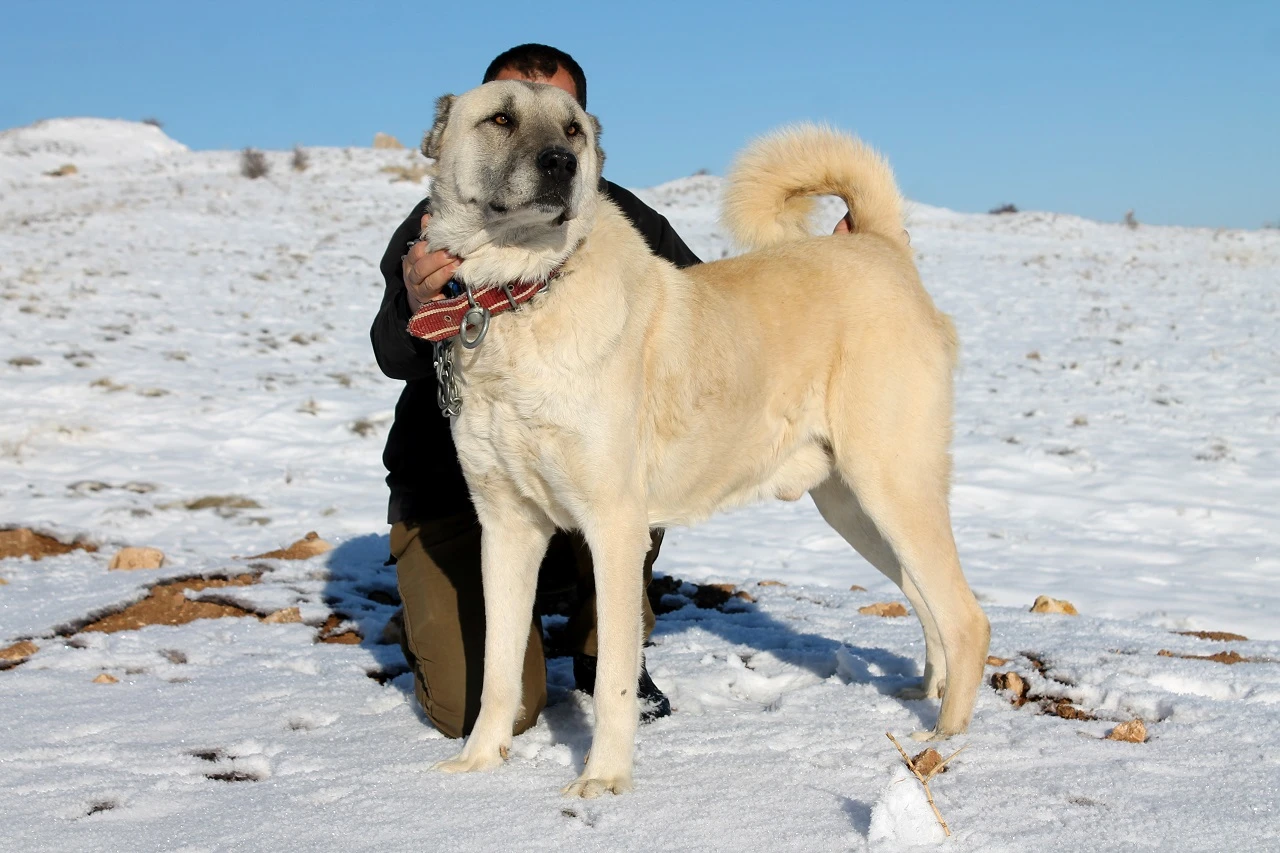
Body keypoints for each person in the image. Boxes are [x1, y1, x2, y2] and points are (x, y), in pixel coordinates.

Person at [370, 44, 700, 740]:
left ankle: (601, 647)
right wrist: (413, 300)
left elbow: (714, 312)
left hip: (580, 487)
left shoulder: (629, 224)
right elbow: (390, 354)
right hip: (455, 499)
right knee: (480, 711)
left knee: (624, 455)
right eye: (505, 119)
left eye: (564, 129)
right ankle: (438, 605)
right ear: (455, 133)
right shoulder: (437, 226)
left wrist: (833, 262)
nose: (546, 149)